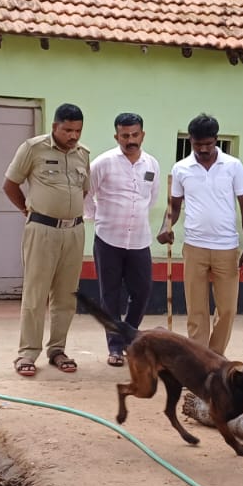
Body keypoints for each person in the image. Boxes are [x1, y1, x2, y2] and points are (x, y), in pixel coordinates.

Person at [4, 103, 90, 377]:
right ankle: (27, 353)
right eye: (67, 130)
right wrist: (27, 210)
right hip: (41, 230)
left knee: (66, 295)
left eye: (77, 130)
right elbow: (10, 184)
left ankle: (57, 349)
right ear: (55, 127)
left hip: (74, 232)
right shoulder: (33, 148)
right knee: (36, 293)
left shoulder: (83, 154)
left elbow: (83, 191)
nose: (73, 136)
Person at [157, 114, 243, 356]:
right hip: (194, 246)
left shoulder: (233, 166)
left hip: (227, 247)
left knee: (228, 309)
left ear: (216, 140)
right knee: (196, 311)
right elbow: (174, 206)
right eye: (198, 144)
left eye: (208, 144)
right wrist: (165, 227)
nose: (203, 149)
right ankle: (199, 361)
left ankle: (216, 357)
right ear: (190, 141)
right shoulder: (181, 168)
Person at [85, 112, 160, 367]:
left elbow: (152, 198)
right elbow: (87, 194)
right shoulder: (103, 163)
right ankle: (116, 347)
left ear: (143, 135)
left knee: (143, 292)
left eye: (135, 135)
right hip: (108, 239)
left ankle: (127, 334)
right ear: (116, 136)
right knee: (110, 296)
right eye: (125, 136)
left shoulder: (152, 164)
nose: (131, 140)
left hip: (140, 240)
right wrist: (98, 218)